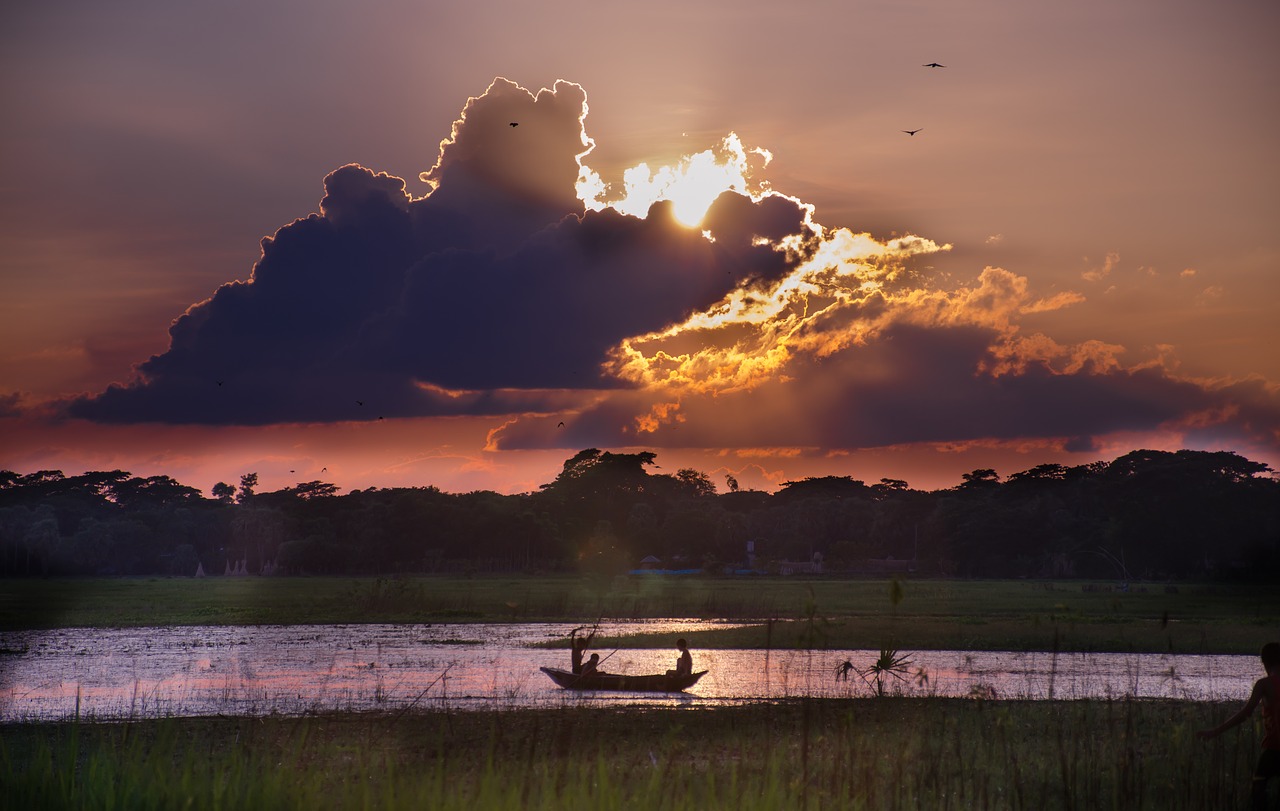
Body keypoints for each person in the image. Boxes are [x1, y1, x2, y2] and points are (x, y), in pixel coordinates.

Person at [1199, 641, 1280, 810]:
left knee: (1258, 789)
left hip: (1274, 749)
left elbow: (1245, 714)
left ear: (1264, 662)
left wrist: (1214, 731)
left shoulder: (1264, 684)